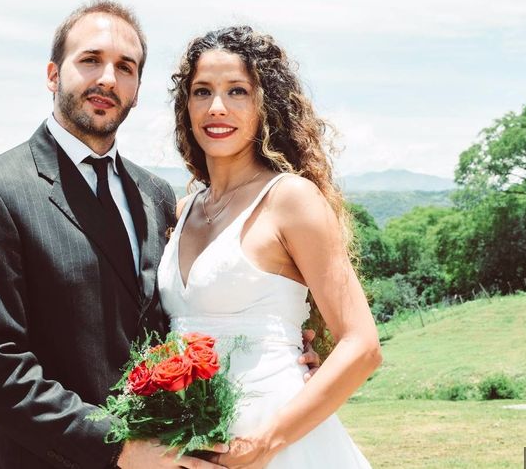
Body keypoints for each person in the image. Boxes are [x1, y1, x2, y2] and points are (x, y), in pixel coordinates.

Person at [0, 1, 319, 469]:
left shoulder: (157, 196)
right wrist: (117, 446)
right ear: (52, 74)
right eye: (90, 60)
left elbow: (181, 316)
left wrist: (280, 351)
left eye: (126, 67)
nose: (107, 79)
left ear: (137, 90)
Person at [158, 25, 382, 468]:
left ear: (266, 105)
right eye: (202, 91)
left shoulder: (290, 199)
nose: (216, 107)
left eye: (237, 91)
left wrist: (265, 443)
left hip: (277, 444)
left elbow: (362, 346)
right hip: (195, 446)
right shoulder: (182, 210)